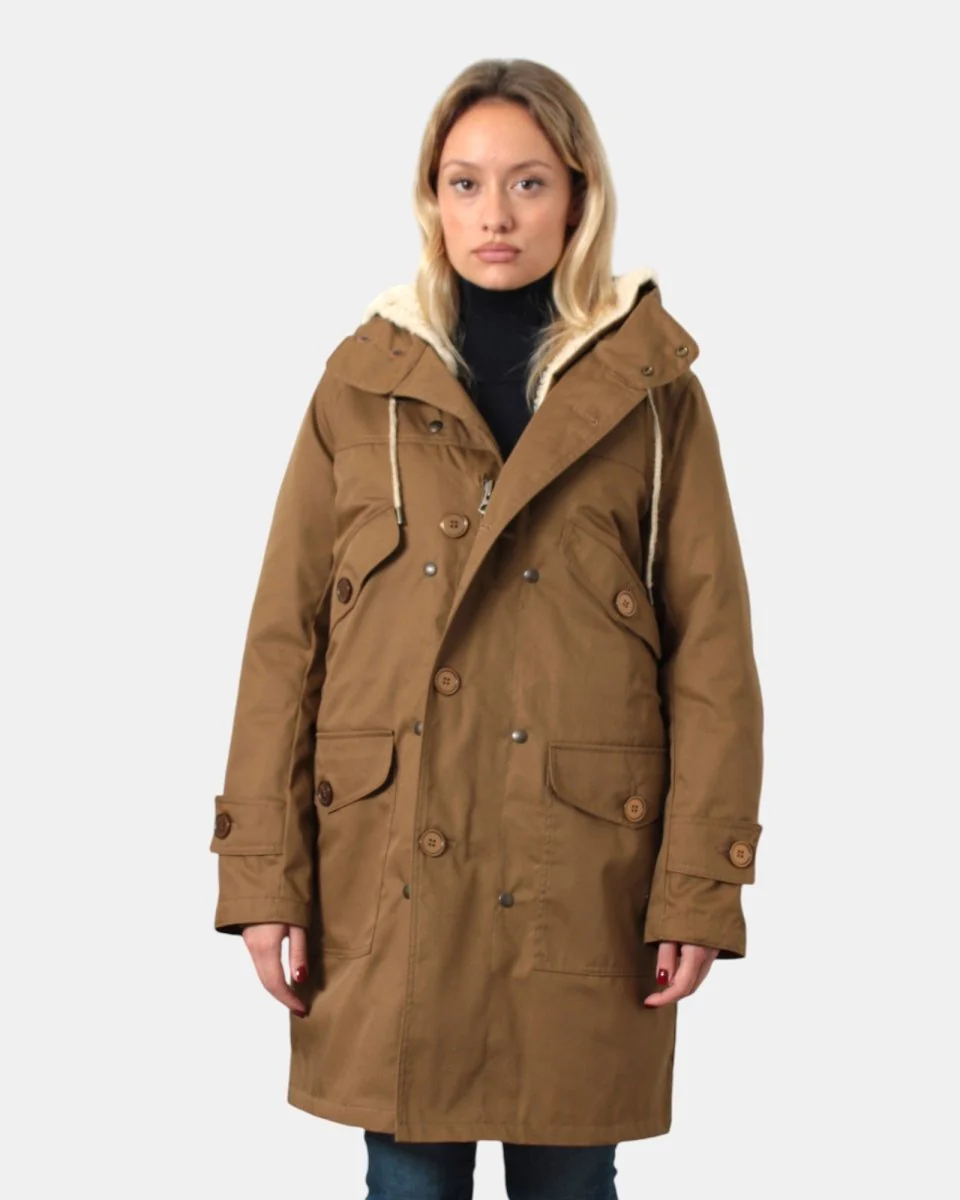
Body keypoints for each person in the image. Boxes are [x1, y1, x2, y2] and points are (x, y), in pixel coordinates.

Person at [209, 57, 764, 1200]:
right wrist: (263, 874)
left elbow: (712, 655)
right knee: (407, 1184)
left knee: (571, 1183)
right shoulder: (363, 385)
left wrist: (699, 885)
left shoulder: (652, 393)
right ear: (433, 198)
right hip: (390, 875)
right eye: (464, 183)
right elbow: (284, 644)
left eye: (528, 183)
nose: (495, 215)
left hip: (583, 879)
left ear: (578, 194)